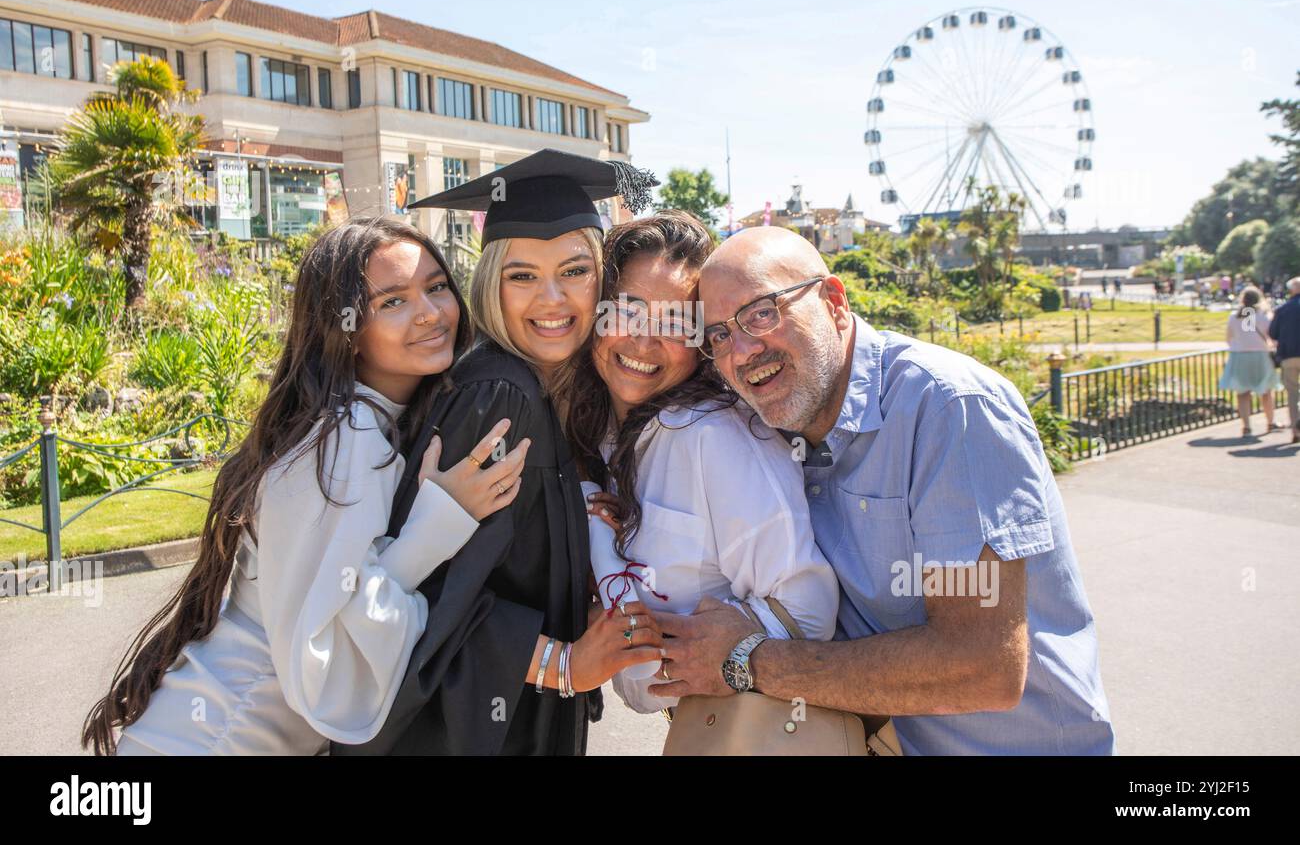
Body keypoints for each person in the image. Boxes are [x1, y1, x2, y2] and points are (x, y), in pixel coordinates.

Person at [648, 226, 1116, 755]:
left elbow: (982, 666)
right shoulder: (772, 429)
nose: (743, 350)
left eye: (761, 312)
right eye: (720, 336)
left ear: (834, 301)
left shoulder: (948, 409)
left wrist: (746, 662)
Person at [85, 218, 528, 755]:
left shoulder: (369, 423)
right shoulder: (345, 440)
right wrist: (436, 526)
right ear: (344, 328)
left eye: (436, 287)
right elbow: (328, 651)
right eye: (392, 302)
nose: (431, 313)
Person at [334, 149, 666, 756]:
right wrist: (563, 665)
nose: (552, 300)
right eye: (522, 275)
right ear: (491, 282)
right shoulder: (498, 394)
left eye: (574, 271)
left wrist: (576, 520)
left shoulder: (534, 389)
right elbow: (432, 591)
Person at [565, 212, 838, 728]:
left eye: (675, 323)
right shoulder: (602, 432)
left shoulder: (713, 436)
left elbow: (809, 607)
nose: (645, 342)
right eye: (628, 310)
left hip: (748, 729)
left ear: (702, 342)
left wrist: (720, 657)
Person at [1218, 286, 1281, 437]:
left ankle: (1246, 426)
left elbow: (1228, 338)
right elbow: (1272, 337)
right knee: (1266, 391)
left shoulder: (1234, 317)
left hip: (1239, 356)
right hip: (1260, 356)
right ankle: (1270, 422)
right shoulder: (1263, 316)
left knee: (1243, 393)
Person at [1267, 276, 1300, 444]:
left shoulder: (1281, 310)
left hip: (1286, 354)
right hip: (1254, 355)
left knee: (1292, 393)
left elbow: (1271, 333)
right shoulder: (1254, 315)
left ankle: (1294, 428)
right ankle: (1270, 421)